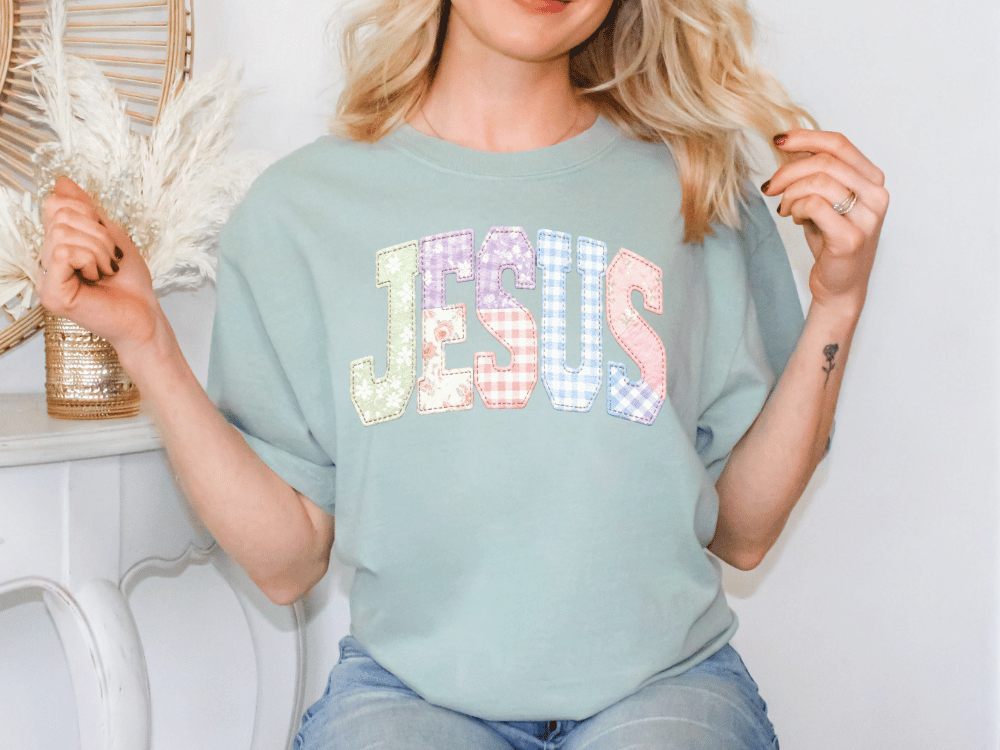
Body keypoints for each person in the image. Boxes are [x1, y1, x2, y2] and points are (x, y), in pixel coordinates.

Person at [37, 0, 888, 747]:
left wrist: (837, 304)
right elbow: (287, 561)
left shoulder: (699, 188)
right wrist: (148, 340)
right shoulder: (300, 212)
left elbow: (743, 532)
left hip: (668, 685)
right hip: (408, 696)